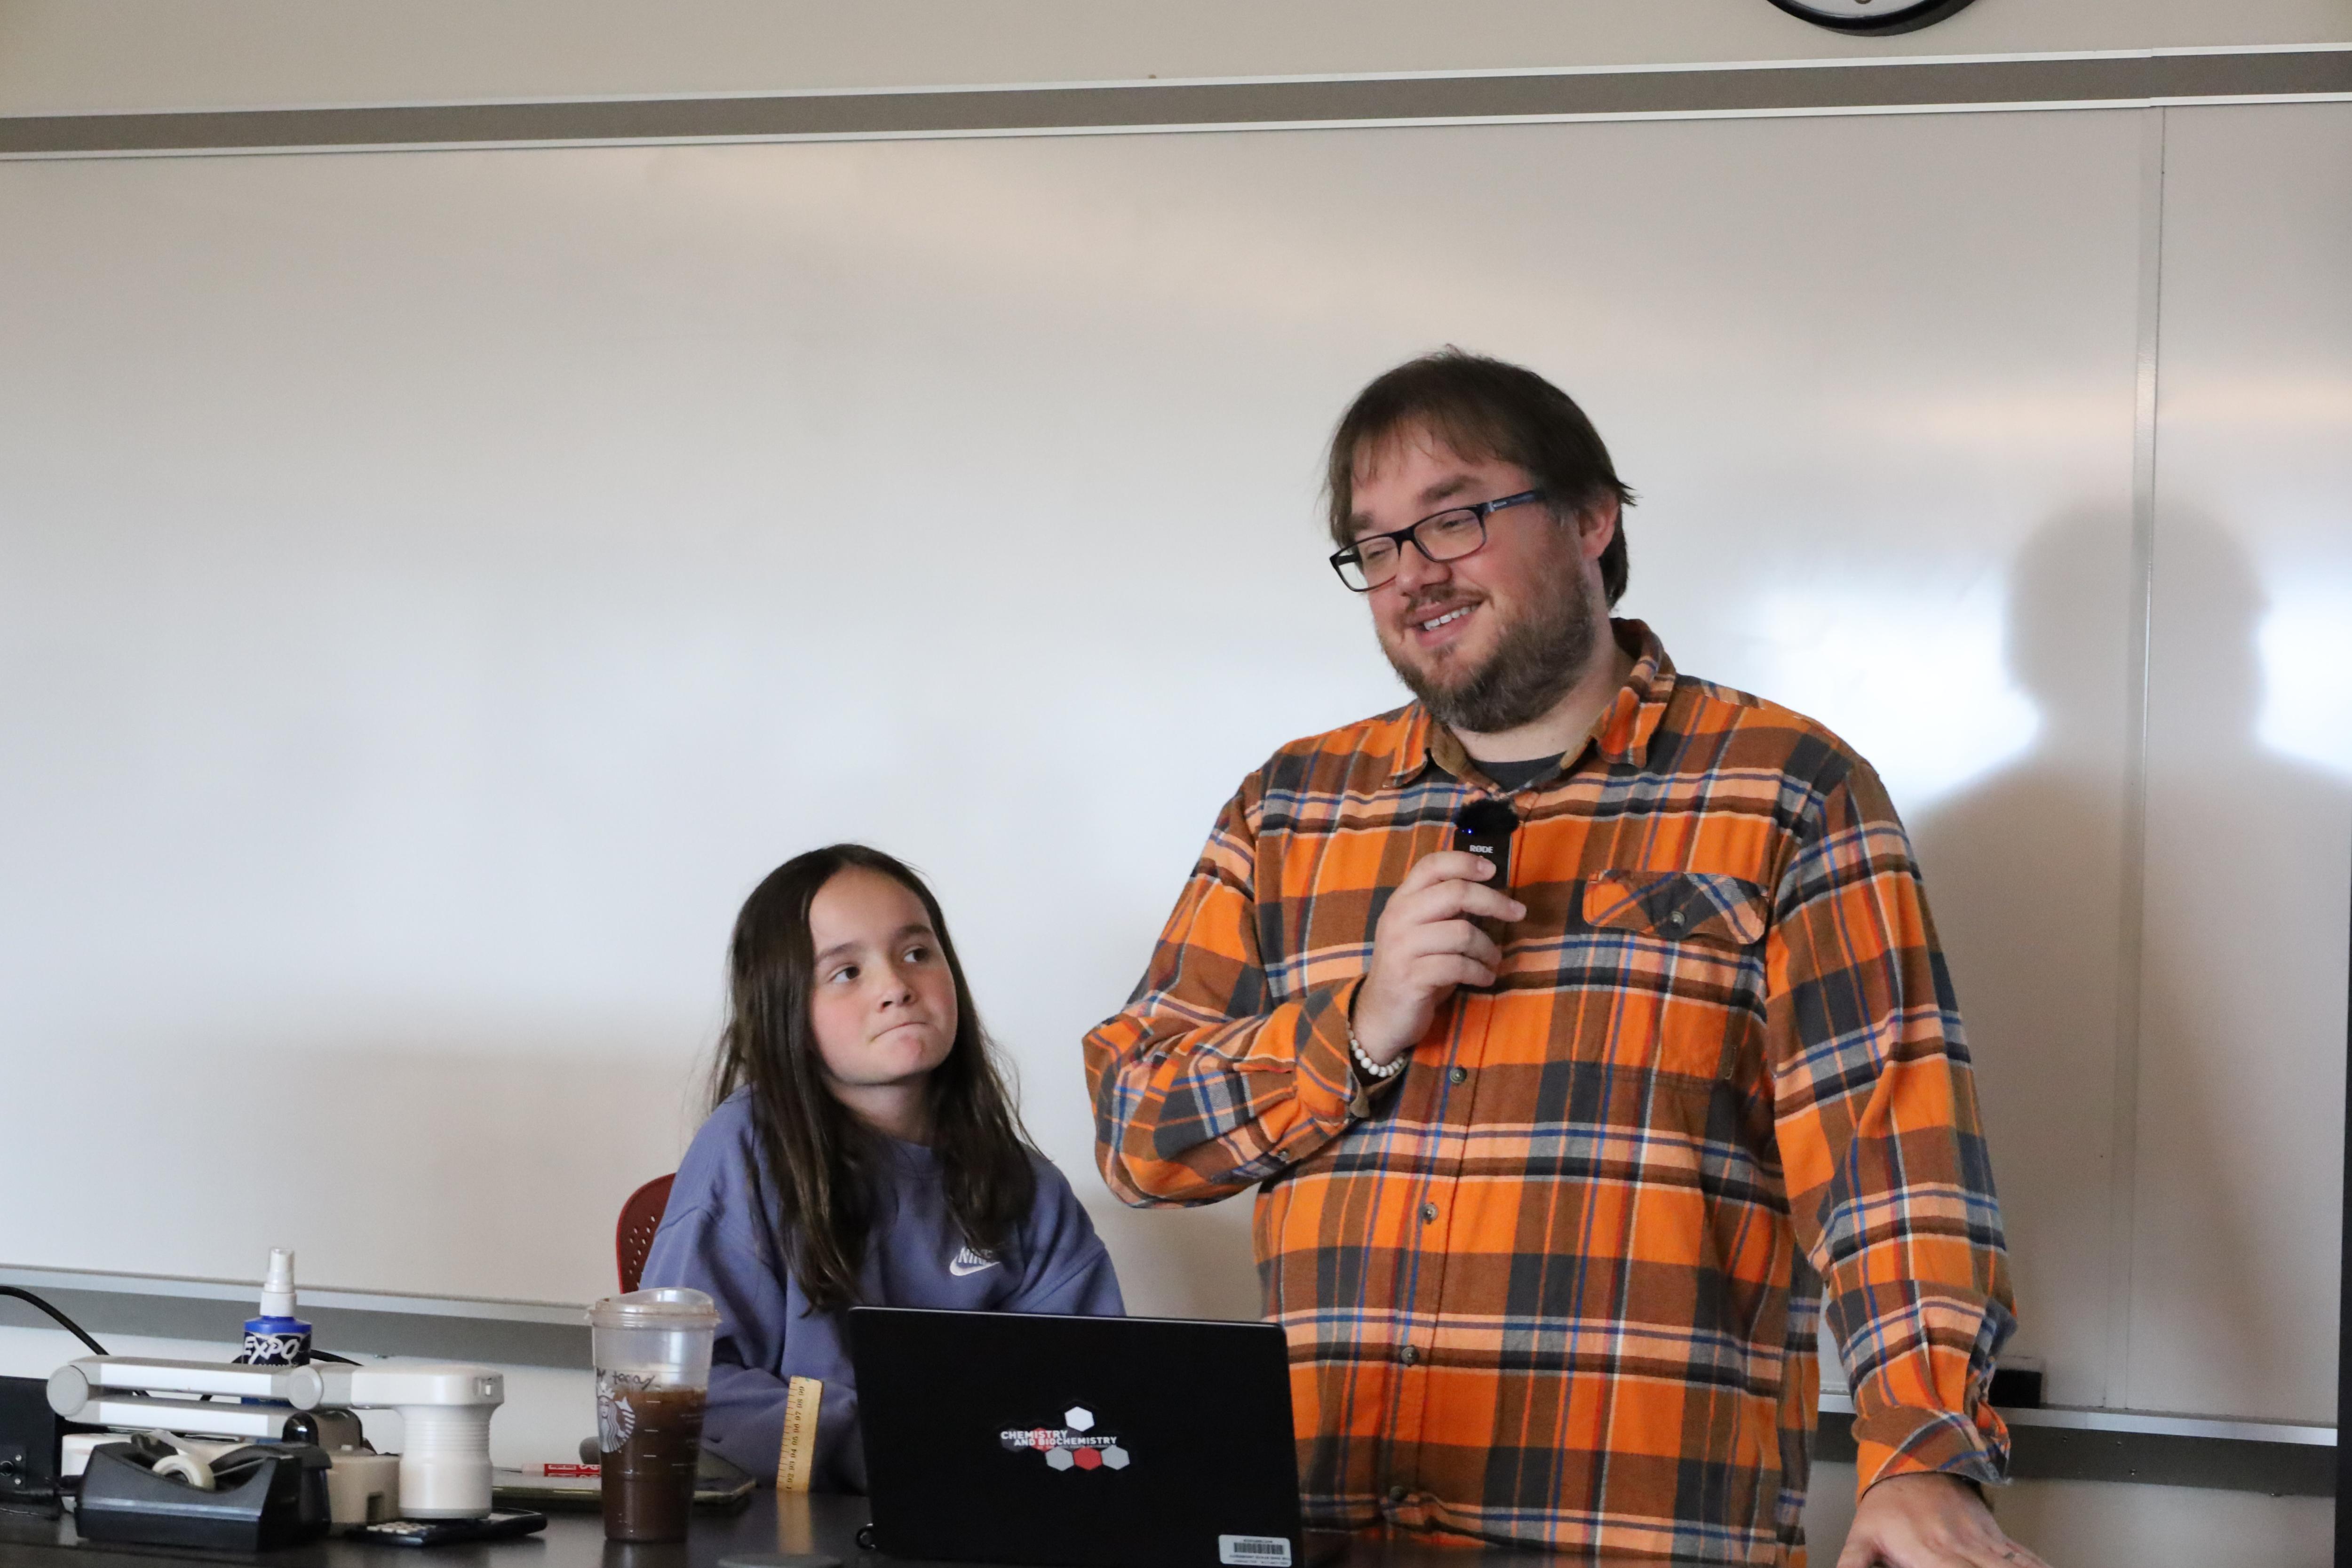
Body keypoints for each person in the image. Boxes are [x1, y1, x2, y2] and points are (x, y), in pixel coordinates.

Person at [1085, 351, 2045, 1568]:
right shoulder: (1292, 808)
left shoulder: (1783, 788)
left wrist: (1923, 1454)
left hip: (1630, 1535)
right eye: (1375, 545)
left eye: (1455, 515)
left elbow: (1894, 1161)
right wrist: (1357, 1028)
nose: (1413, 571)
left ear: (1592, 516)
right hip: (1322, 1532)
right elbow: (1136, 1125)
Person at [644, 843, 1124, 1492]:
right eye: (846, 972)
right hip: (798, 1529)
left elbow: (1093, 1399)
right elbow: (676, 1380)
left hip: (983, 1515)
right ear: (784, 1008)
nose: (897, 986)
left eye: (917, 953)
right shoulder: (744, 1148)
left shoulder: (1031, 1190)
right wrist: (887, 1440)